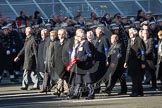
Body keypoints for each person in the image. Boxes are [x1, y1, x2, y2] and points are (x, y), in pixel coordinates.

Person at [70, 31, 95, 99]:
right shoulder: (79, 44)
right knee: (78, 81)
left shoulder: (86, 43)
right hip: (79, 66)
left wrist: (81, 59)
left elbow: (89, 54)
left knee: (88, 80)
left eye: (78, 36)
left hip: (85, 65)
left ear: (82, 37)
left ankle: (91, 94)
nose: (77, 38)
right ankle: (76, 93)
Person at [124, 28, 146, 97]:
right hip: (131, 62)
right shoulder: (129, 40)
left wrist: (143, 62)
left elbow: (143, 52)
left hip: (137, 61)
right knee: (135, 77)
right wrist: (126, 61)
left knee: (136, 78)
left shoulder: (139, 40)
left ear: (134, 33)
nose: (130, 34)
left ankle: (135, 92)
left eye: (131, 33)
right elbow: (127, 52)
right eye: (129, 33)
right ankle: (140, 91)